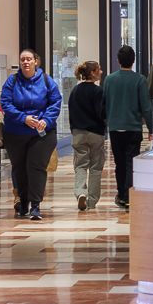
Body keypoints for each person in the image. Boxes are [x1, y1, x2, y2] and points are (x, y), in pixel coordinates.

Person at [0, 48, 62, 221]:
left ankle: (35, 205)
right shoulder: (12, 82)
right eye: (22, 60)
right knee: (19, 168)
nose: (25, 62)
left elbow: (55, 102)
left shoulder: (47, 81)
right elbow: (5, 103)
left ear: (36, 61)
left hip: (42, 134)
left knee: (36, 167)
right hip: (15, 132)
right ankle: (23, 201)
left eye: (29, 59)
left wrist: (46, 121)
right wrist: (23, 118)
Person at [103, 44, 153, 210]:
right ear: (134, 61)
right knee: (131, 162)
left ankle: (121, 195)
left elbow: (104, 103)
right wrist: (152, 128)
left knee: (119, 163)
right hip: (133, 128)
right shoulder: (139, 80)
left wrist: (106, 122)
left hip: (115, 128)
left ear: (118, 60)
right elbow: (146, 107)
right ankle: (129, 194)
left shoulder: (109, 80)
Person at [68, 60, 107, 211]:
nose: (101, 72)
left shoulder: (75, 91)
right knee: (96, 167)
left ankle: (80, 192)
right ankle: (92, 200)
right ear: (92, 73)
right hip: (96, 133)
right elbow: (102, 113)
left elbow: (71, 112)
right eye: (99, 69)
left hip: (78, 133)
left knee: (80, 165)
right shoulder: (99, 91)